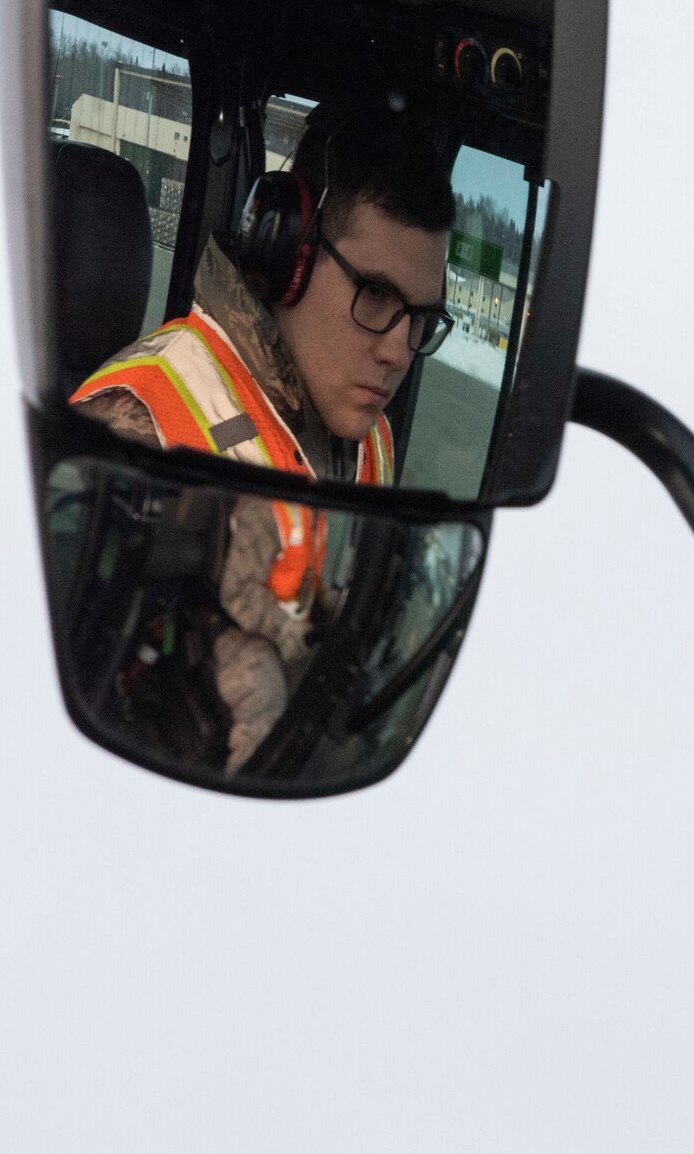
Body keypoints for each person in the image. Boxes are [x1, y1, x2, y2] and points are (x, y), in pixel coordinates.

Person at [71, 95, 458, 770]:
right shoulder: (137, 421)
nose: (398, 349)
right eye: (374, 295)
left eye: (420, 318)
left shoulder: (370, 441)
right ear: (289, 255)